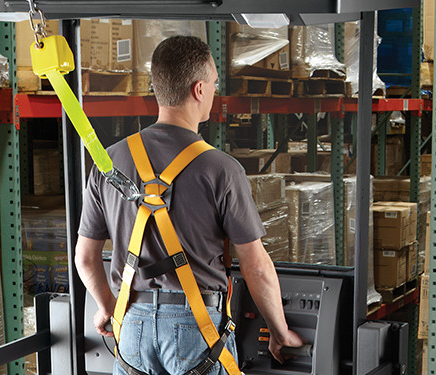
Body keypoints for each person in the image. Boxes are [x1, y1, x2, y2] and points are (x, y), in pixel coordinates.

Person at [75, 35, 303, 375]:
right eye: (213, 84)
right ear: (199, 89)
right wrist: (280, 331)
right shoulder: (222, 169)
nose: (213, 91)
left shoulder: (110, 162)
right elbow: (255, 266)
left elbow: (84, 259)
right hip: (197, 330)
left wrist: (109, 306)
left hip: (132, 326)